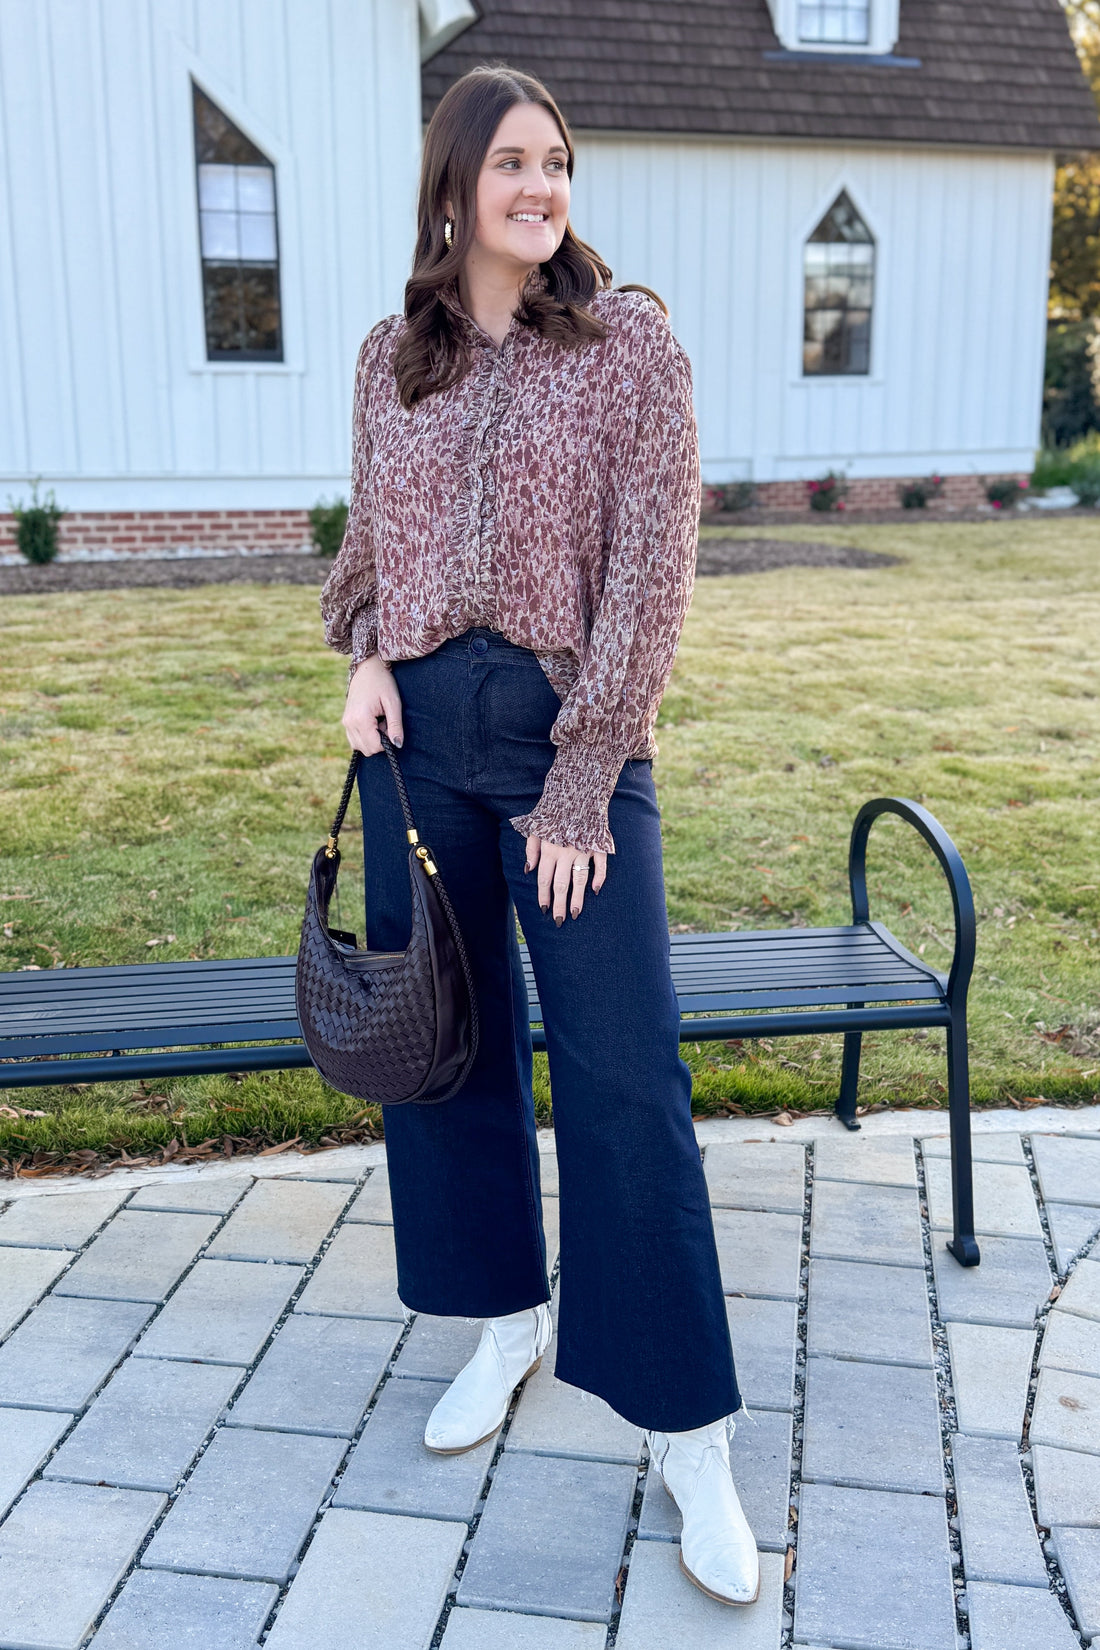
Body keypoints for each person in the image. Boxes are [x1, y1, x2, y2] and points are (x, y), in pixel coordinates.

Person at [320, 63, 759, 1607]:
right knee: (448, 1049)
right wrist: (365, 653)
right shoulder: (394, 360)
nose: (540, 186)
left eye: (556, 161)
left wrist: (581, 784)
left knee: (628, 1072)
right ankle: (504, 1316)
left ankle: (686, 1424)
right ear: (453, 190)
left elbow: (655, 574)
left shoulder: (628, 345)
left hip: (572, 734)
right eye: (510, 162)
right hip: (421, 736)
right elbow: (368, 545)